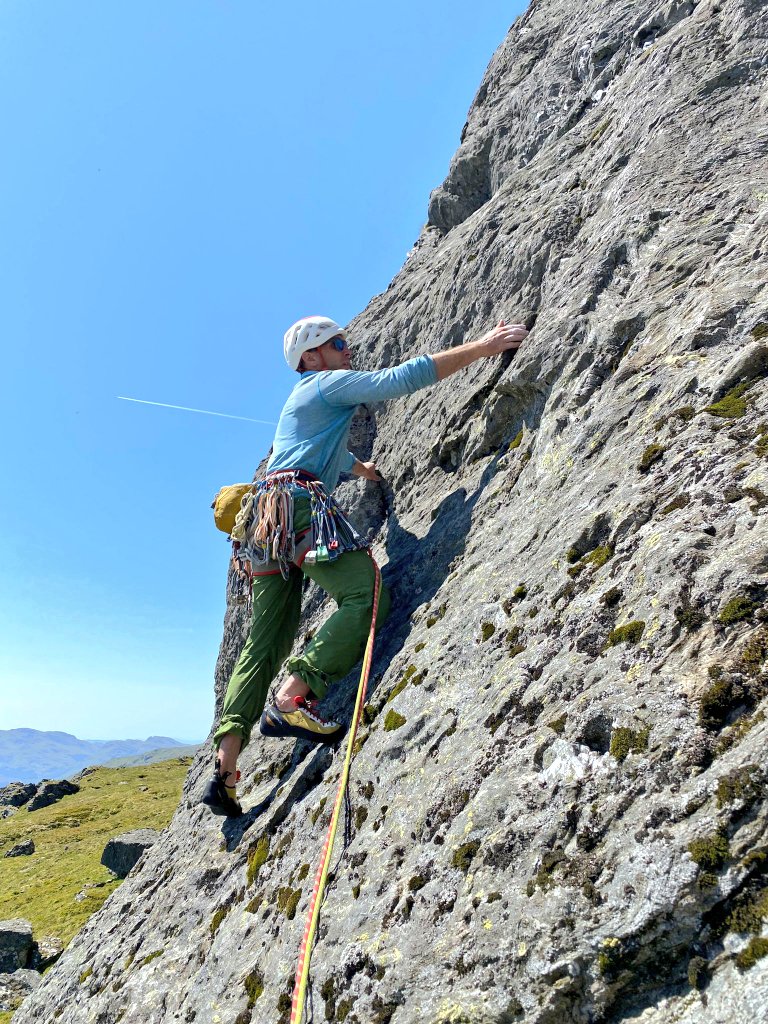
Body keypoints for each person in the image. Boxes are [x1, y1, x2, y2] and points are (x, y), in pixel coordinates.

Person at [202, 314, 528, 816]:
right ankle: (292, 697)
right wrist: (485, 346)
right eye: (336, 343)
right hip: (298, 508)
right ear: (311, 357)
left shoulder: (304, 403)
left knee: (260, 646)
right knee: (367, 595)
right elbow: (397, 380)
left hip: (265, 524)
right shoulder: (326, 384)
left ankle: (225, 772)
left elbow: (317, 450)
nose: (347, 349)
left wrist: (359, 469)